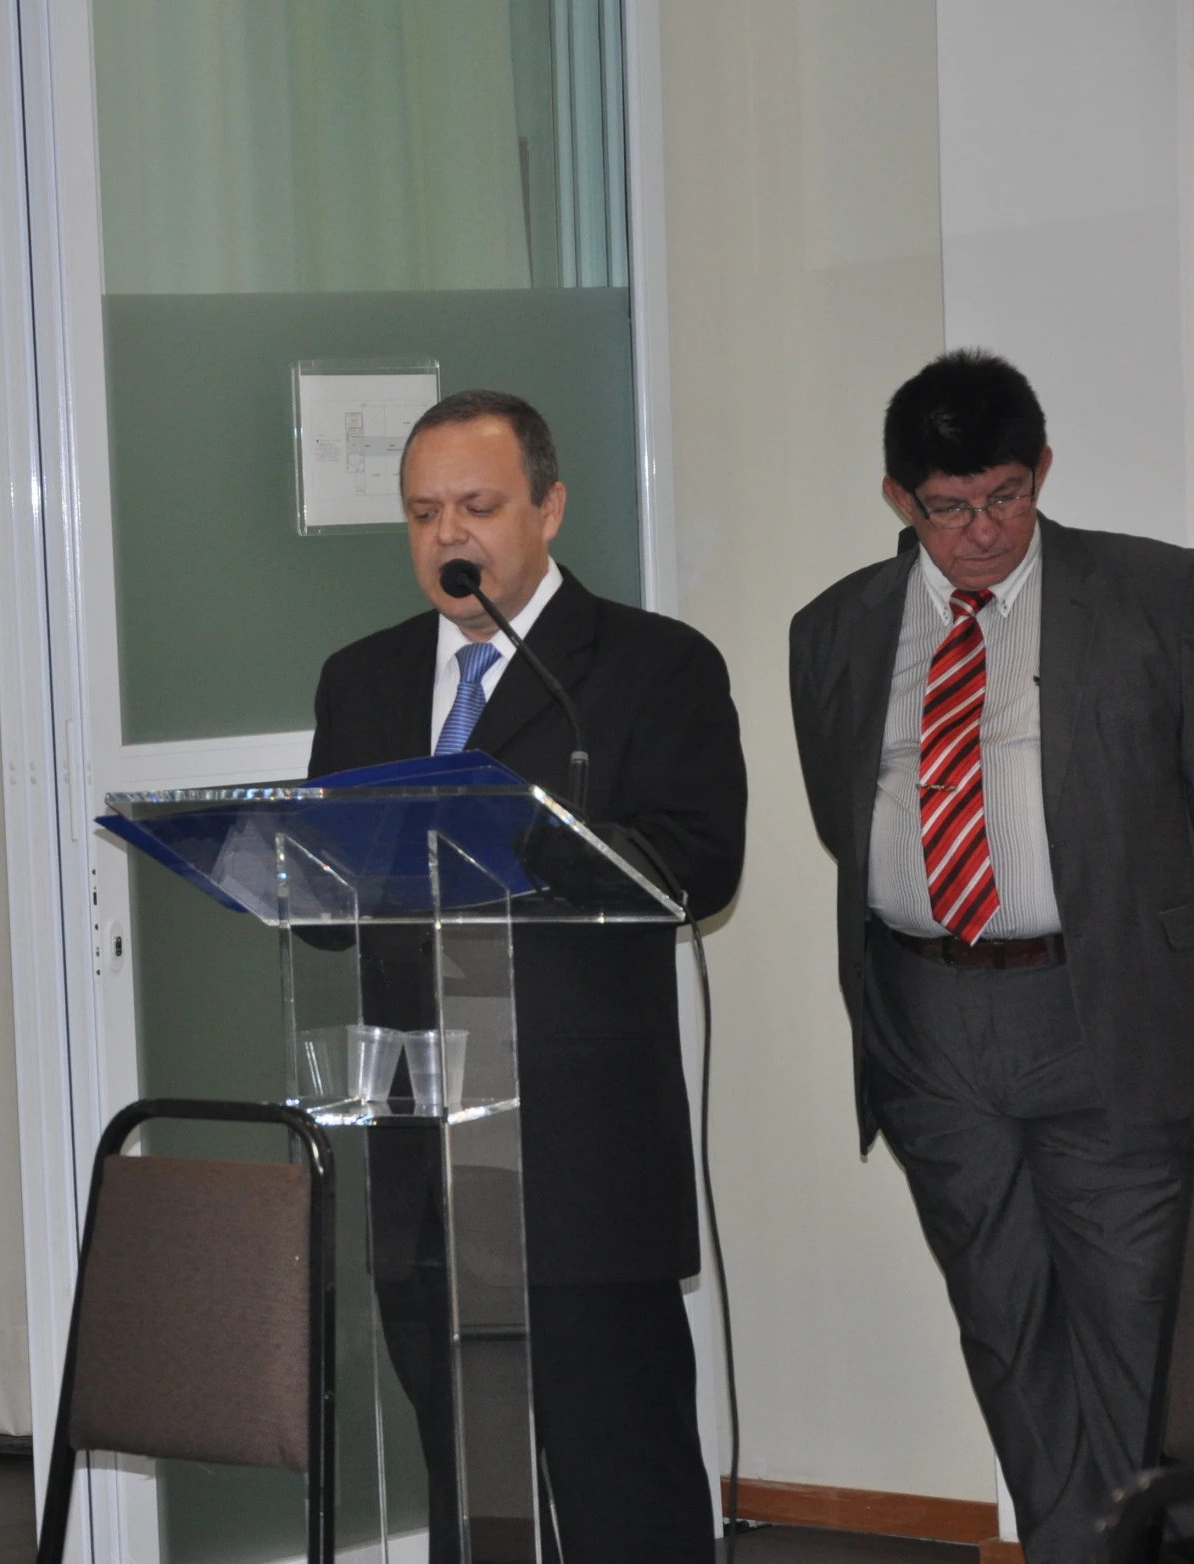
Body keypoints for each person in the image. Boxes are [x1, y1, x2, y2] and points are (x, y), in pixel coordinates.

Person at [308, 389, 746, 1562]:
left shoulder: (654, 666)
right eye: (421, 513)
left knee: (625, 1480)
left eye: (477, 505)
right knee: (468, 1489)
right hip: (420, 1133)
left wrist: (526, 831)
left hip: (583, 1155)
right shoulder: (361, 678)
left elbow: (702, 865)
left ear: (549, 507)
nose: (449, 534)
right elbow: (331, 890)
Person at [790, 350, 1194, 1562]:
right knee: (1006, 1334)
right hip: (931, 1028)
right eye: (949, 507)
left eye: (1007, 496)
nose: (982, 531)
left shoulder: (1159, 598)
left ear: (1044, 471)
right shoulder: (837, 629)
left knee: (1133, 1336)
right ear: (897, 499)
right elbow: (839, 811)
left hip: (1106, 1017)